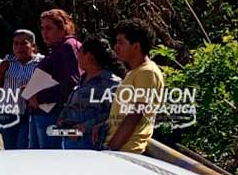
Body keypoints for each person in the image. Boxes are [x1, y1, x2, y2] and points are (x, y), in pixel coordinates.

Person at [107, 19, 165, 153]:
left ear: (136, 46)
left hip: (126, 149)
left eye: (121, 42)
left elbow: (136, 114)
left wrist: (111, 148)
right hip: (120, 148)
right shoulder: (135, 72)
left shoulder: (147, 72)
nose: (116, 47)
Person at [27, 9, 82, 149]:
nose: (44, 33)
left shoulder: (68, 47)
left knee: (47, 160)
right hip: (41, 112)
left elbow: (71, 84)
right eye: (42, 28)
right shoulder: (59, 48)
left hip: (52, 114)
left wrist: (39, 96)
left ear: (63, 29)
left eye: (49, 28)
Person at [57, 38, 122, 150]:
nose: (78, 57)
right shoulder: (82, 80)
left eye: (80, 53)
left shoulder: (111, 83)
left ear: (89, 56)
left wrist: (85, 127)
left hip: (89, 142)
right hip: (69, 140)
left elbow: (112, 114)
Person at [0, 30, 44, 149]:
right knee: (9, 149)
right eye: (16, 43)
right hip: (8, 112)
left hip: (28, 113)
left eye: (24, 43)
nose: (19, 47)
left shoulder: (41, 62)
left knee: (22, 148)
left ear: (33, 46)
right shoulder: (9, 61)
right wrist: (1, 70)